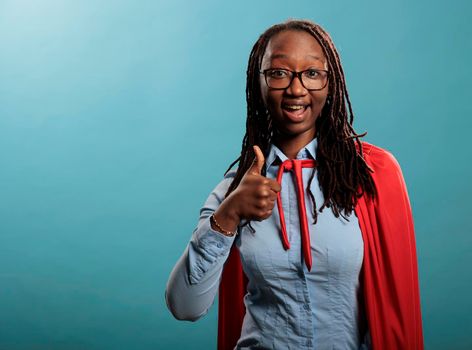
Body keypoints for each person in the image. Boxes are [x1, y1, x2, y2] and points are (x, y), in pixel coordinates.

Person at [166, 19, 423, 350]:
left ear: (331, 85)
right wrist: (228, 216)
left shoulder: (372, 175)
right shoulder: (236, 188)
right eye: (279, 73)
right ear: (258, 85)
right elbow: (184, 307)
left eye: (312, 73)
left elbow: (395, 312)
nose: (297, 89)